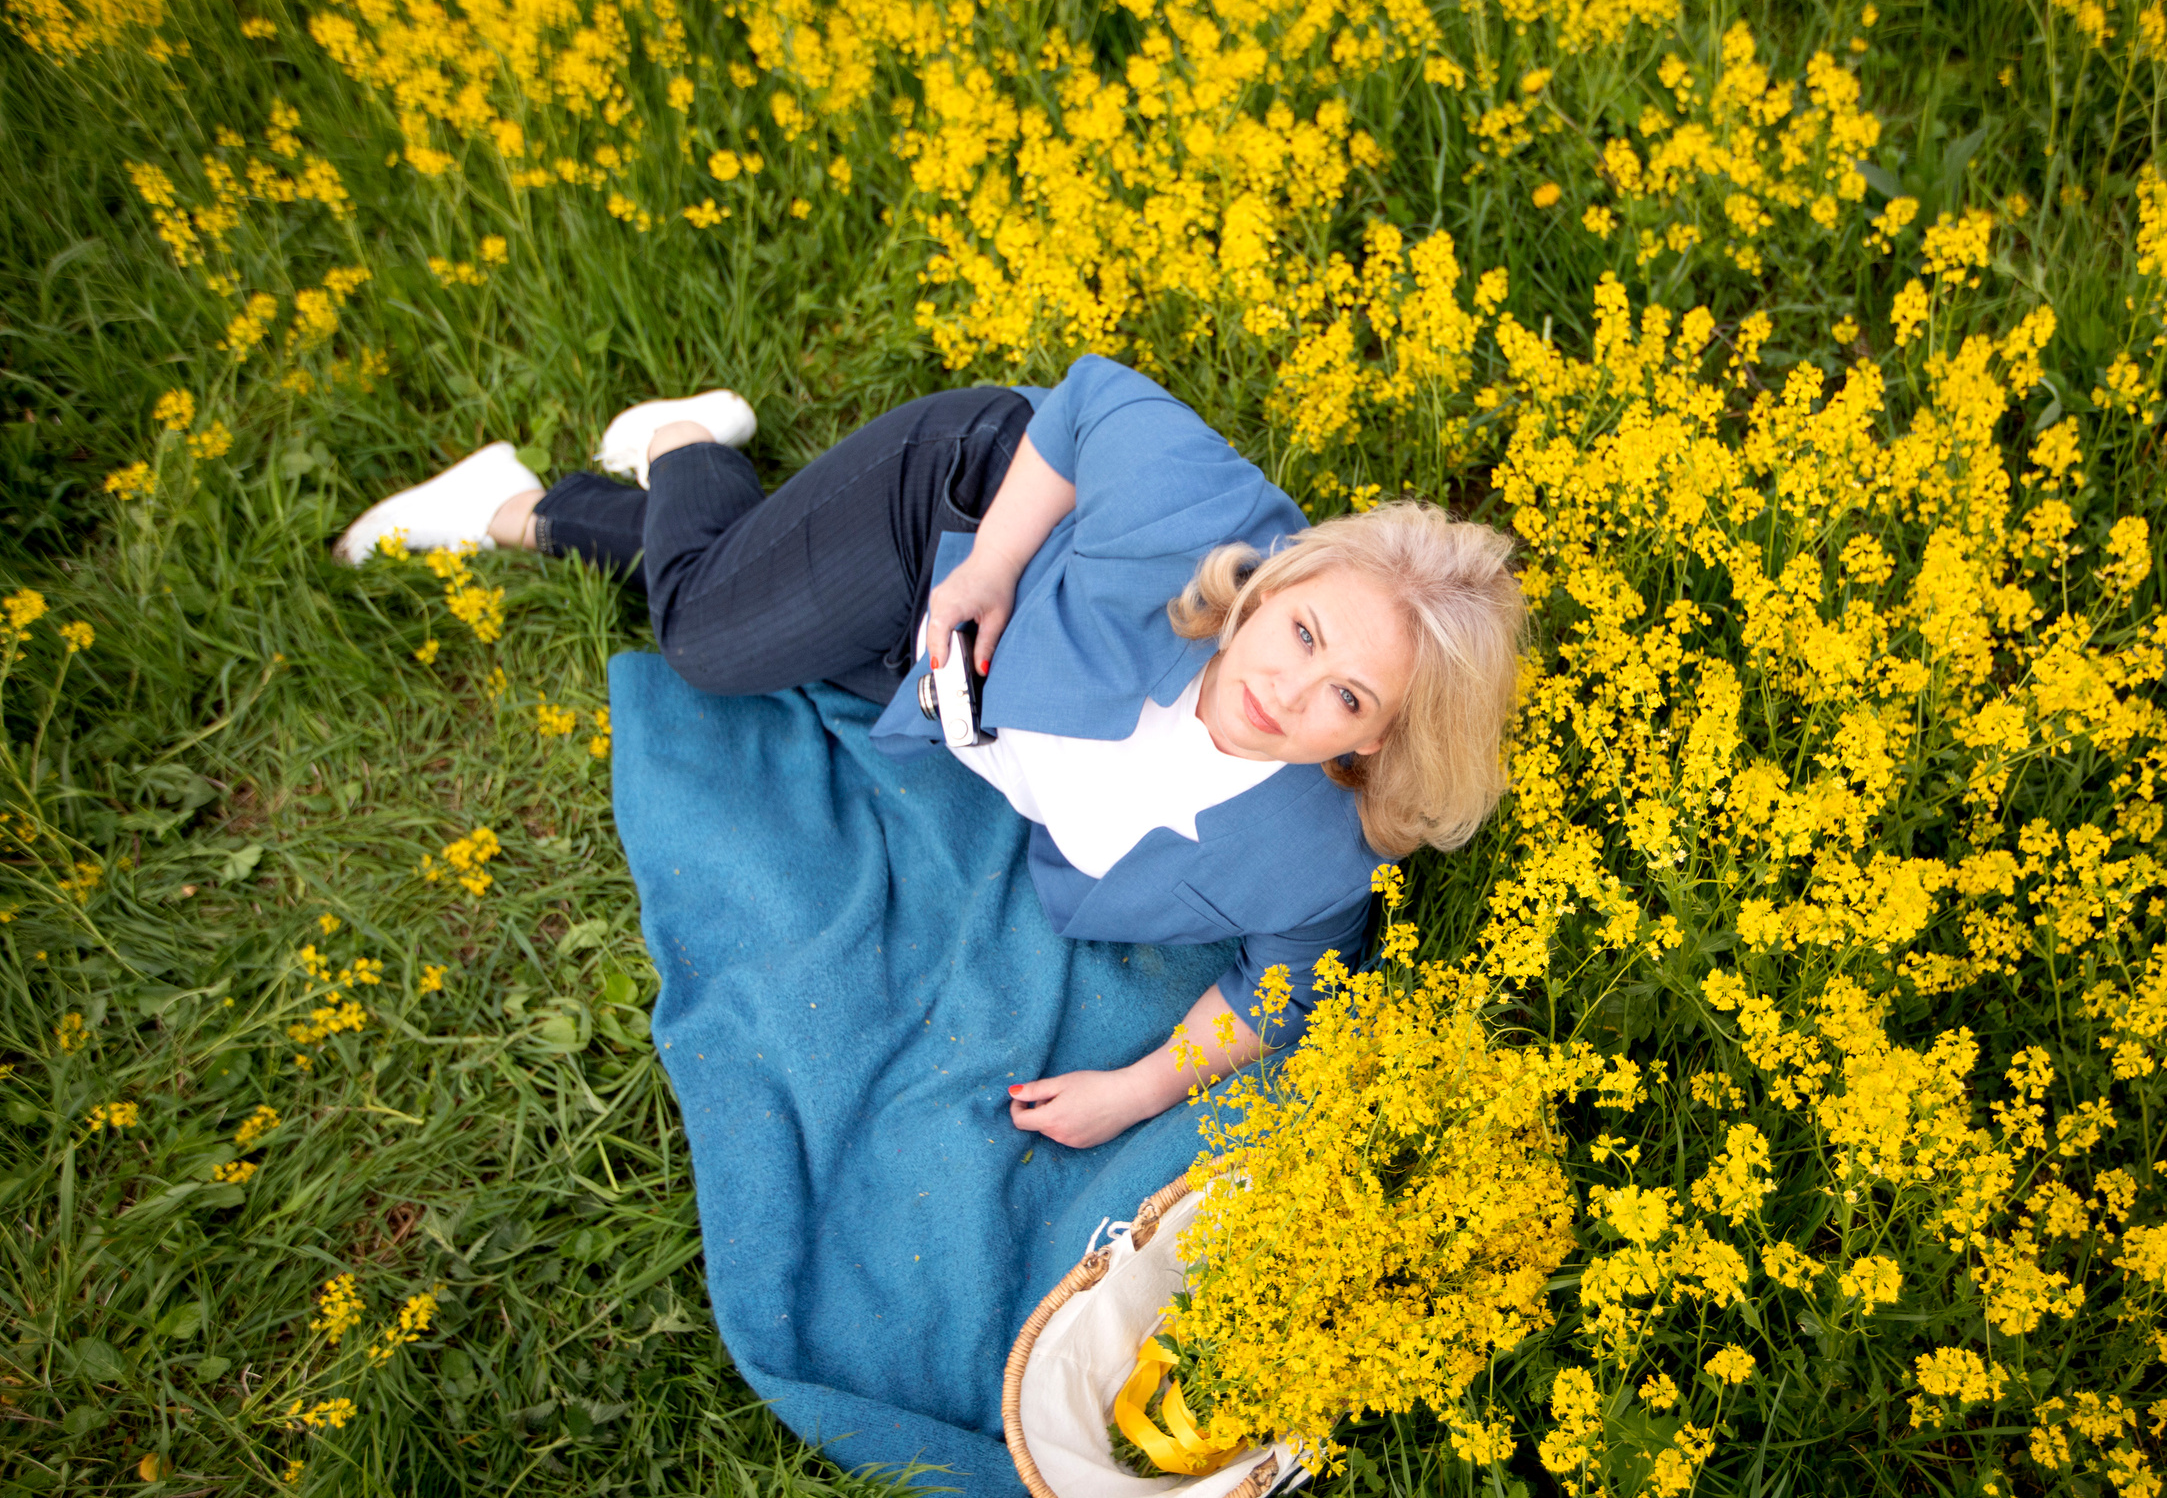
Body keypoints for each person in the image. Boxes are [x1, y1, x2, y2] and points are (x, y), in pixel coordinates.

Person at [334, 357, 1524, 1147]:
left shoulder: (1317, 851)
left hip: (954, 688)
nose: (1286, 689)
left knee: (758, 618)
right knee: (704, 639)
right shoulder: (1193, 511)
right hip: (942, 523)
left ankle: (538, 504)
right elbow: (1087, 401)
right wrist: (992, 565)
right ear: (1273, 585)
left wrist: (1140, 1088)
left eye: (1346, 695)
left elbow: (1289, 982)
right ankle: (687, 442)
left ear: (1376, 741)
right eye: (1302, 631)